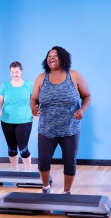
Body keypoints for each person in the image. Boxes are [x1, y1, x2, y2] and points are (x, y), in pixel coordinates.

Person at [30, 46, 91, 194]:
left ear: (63, 58)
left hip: (70, 128)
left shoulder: (74, 76)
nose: (51, 57)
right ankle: (46, 187)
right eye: (49, 55)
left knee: (70, 161)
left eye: (55, 55)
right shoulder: (41, 78)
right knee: (43, 161)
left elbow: (87, 96)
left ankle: (66, 192)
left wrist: (82, 110)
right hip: (47, 128)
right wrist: (33, 107)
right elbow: (33, 98)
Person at [0, 61, 34, 171]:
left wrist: (35, 111)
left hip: (24, 120)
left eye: (16, 72)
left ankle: (28, 172)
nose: (14, 74)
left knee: (23, 149)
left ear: (21, 71)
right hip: (6, 121)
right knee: (12, 149)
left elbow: (35, 101)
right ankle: (15, 172)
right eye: (12, 72)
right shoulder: (5, 86)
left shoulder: (29, 85)